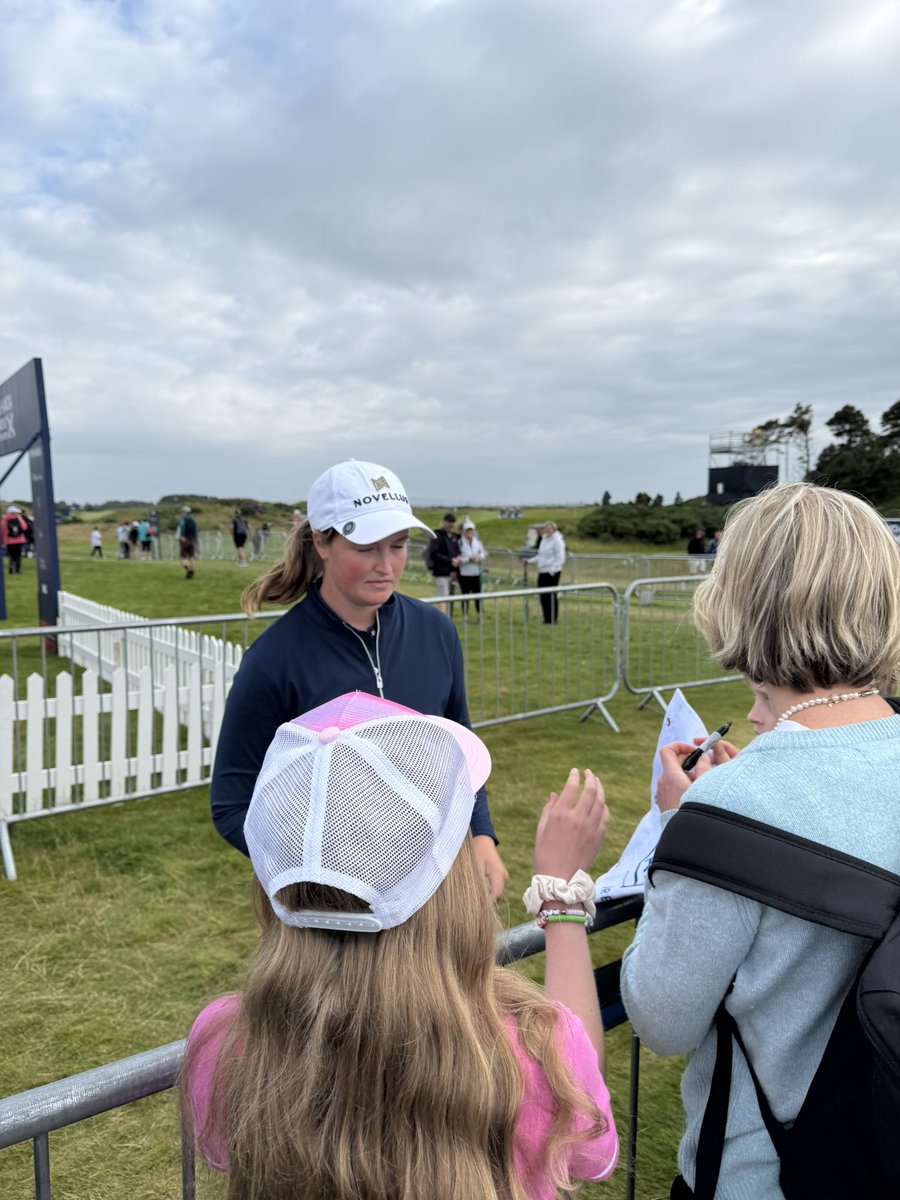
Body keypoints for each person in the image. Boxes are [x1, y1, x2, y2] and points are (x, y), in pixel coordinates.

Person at [186, 692, 618, 1198]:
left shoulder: (227, 1043)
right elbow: (580, 1106)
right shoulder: (531, 1050)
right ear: (450, 876)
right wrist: (560, 895)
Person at [620, 481, 900, 1199]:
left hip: (769, 1174)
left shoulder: (728, 807)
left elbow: (662, 1018)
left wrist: (687, 829)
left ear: (739, 601)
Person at [210, 460, 508, 899]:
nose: (386, 565)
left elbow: (458, 751)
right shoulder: (274, 660)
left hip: (439, 887)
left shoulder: (436, 631)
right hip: (335, 911)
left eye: (399, 545)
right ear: (321, 543)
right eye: (367, 547)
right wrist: (322, 878)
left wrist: (481, 835)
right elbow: (232, 803)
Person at [429, 511, 461, 616]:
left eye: (452, 522)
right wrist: (450, 560)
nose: (450, 524)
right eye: (448, 522)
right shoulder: (437, 535)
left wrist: (458, 558)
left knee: (450, 596)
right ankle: (443, 619)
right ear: (444, 522)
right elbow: (434, 553)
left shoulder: (455, 537)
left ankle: (447, 617)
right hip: (441, 571)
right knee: (443, 596)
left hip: (452, 572)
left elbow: (457, 551)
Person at [534, 521, 566, 625]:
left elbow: (560, 557)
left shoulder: (557, 541)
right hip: (542, 570)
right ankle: (546, 618)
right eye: (546, 528)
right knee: (543, 596)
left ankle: (552, 619)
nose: (548, 530)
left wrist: (553, 570)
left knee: (551, 596)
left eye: (550, 528)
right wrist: (529, 560)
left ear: (554, 529)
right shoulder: (544, 539)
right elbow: (540, 555)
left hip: (553, 572)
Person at [458, 518, 486, 619]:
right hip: (464, 573)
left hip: (476, 573)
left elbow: (483, 553)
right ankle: (465, 615)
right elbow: (458, 558)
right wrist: (469, 559)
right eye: (467, 530)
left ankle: (479, 615)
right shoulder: (459, 543)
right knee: (465, 596)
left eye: (471, 530)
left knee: (477, 595)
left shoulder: (478, 542)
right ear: (463, 531)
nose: (469, 532)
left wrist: (479, 558)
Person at [1, 505, 28, 574]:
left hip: (9, 541)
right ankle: (17, 569)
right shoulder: (18, 518)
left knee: (11, 555)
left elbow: (3, 531)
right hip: (19, 540)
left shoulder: (4, 519)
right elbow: (24, 527)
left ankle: (11, 568)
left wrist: (4, 542)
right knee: (18, 555)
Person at [177, 506, 198, 579]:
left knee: (181, 558)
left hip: (185, 540)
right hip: (192, 540)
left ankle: (188, 569)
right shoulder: (193, 520)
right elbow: (195, 531)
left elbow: (182, 527)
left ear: (185, 512)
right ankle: (192, 570)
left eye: (182, 511)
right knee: (191, 557)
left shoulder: (183, 519)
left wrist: (182, 536)